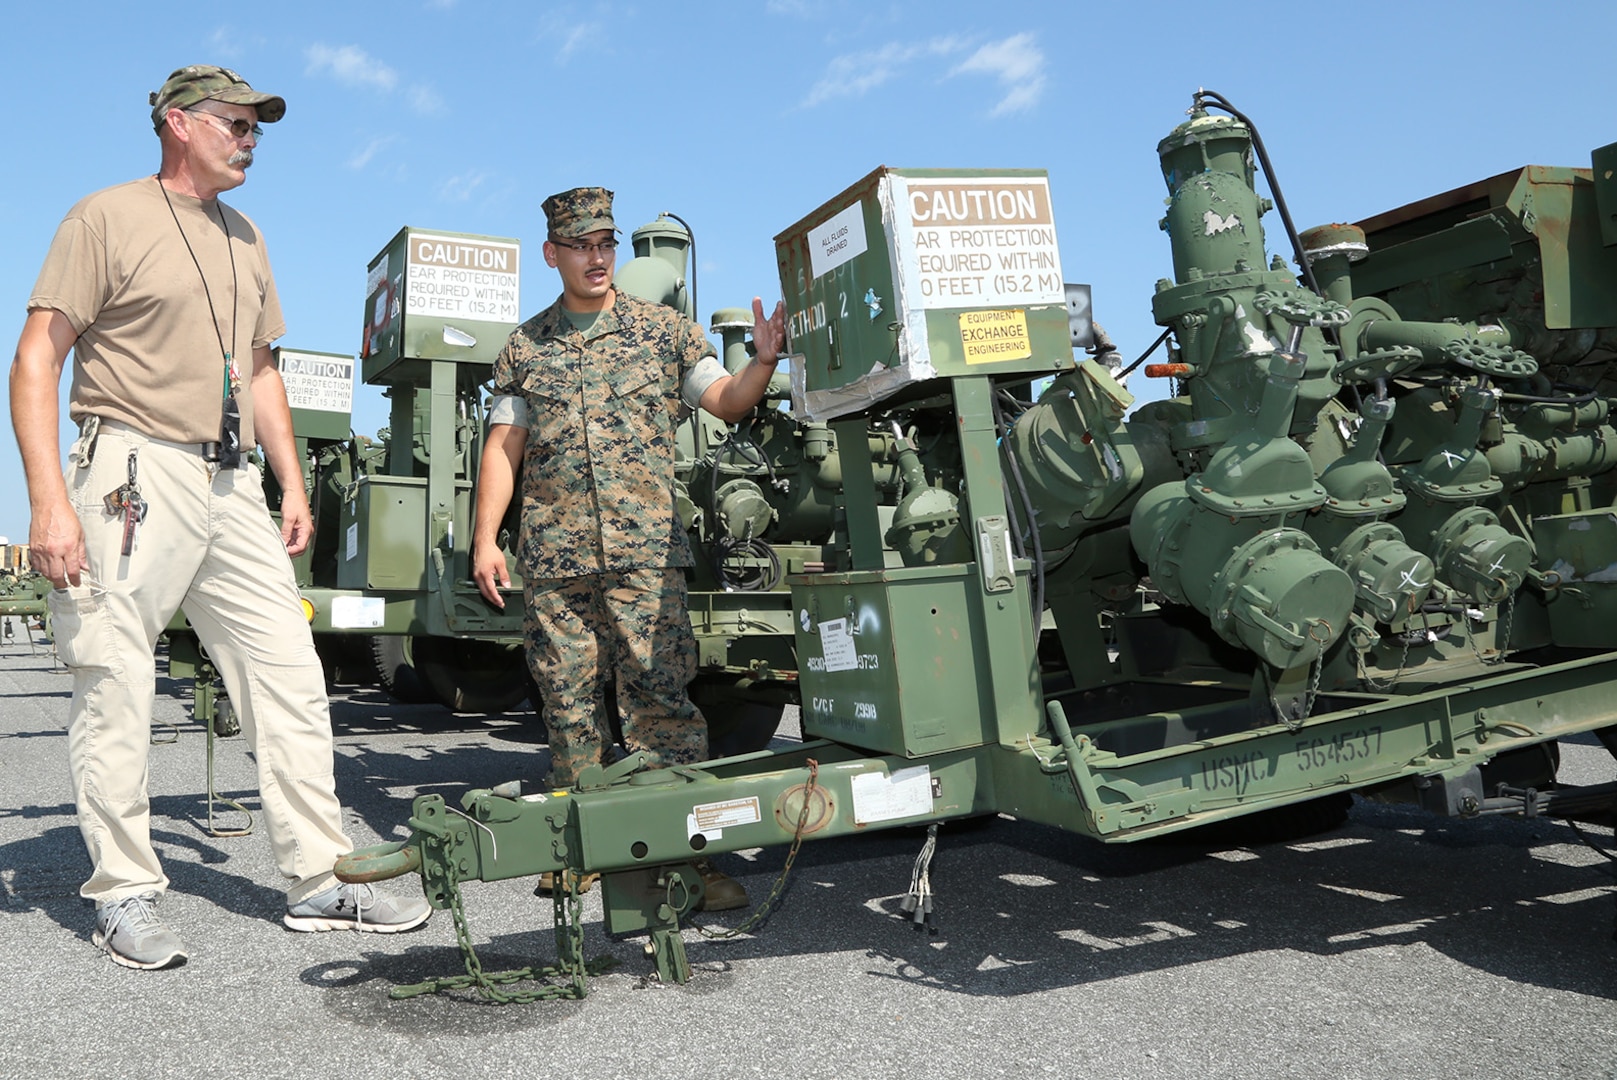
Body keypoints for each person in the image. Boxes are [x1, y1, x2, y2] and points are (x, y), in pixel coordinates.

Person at [9, 65, 430, 971]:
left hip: (230, 479)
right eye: (233, 122)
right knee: (115, 680)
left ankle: (323, 881)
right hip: (129, 465)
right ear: (175, 123)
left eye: (256, 127)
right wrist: (47, 500)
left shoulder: (246, 237)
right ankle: (123, 893)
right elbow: (37, 358)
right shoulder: (104, 216)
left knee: (289, 672)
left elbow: (262, 369)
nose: (249, 138)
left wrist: (293, 485)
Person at [471, 187, 785, 910]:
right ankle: (578, 850)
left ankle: (688, 855)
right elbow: (503, 446)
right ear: (553, 254)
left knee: (661, 706)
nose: (596, 257)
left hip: (644, 554)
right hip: (554, 558)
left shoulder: (665, 332)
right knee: (568, 706)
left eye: (606, 243)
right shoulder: (524, 347)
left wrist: (762, 364)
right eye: (581, 245)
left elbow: (726, 400)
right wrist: (487, 538)